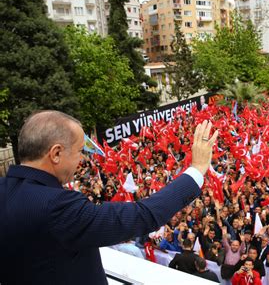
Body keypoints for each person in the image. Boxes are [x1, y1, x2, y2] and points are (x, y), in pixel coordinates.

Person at [0, 110, 218, 285]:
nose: (83, 159)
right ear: (56, 153)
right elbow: (142, 216)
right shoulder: (57, 207)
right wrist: (197, 170)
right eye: (79, 151)